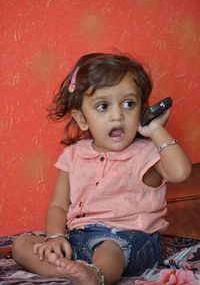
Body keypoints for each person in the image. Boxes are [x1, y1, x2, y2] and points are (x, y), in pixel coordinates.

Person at [12, 53, 192, 285]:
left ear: (141, 111)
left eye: (129, 104)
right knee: (22, 245)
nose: (117, 116)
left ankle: (97, 275)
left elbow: (181, 172)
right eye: (103, 106)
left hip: (133, 241)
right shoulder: (73, 155)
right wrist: (56, 236)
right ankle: (70, 270)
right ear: (82, 119)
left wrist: (156, 129)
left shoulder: (147, 152)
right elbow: (58, 205)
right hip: (81, 238)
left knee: (109, 249)